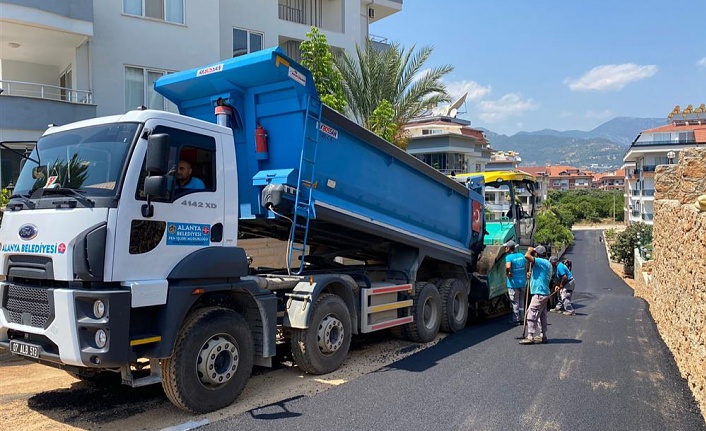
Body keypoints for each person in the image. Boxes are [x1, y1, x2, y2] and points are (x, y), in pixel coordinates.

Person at [520, 245, 552, 344]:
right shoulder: (546, 263)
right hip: (543, 292)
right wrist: (531, 275)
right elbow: (539, 275)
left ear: (537, 254)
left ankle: (530, 336)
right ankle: (543, 335)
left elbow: (527, 256)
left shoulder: (541, 261)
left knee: (531, 312)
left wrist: (529, 251)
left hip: (539, 293)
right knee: (542, 315)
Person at [504, 240, 526, 326]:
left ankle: (516, 319)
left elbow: (508, 266)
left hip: (513, 284)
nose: (505, 248)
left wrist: (507, 273)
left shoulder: (509, 257)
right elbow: (526, 265)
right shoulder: (521, 255)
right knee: (521, 302)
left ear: (508, 248)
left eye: (506, 247)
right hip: (522, 282)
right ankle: (522, 318)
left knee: (515, 302)